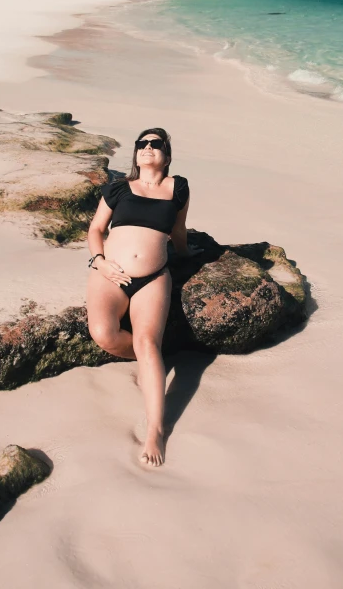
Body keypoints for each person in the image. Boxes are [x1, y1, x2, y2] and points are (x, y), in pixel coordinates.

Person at [86, 128, 201, 467]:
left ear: (167, 153)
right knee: (104, 334)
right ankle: (148, 364)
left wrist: (185, 254)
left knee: (148, 343)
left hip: (153, 278)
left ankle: (155, 430)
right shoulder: (118, 188)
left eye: (156, 144)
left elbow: (178, 229)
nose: (148, 148)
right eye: (142, 144)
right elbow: (95, 229)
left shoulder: (177, 187)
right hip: (109, 275)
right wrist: (100, 262)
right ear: (136, 153)